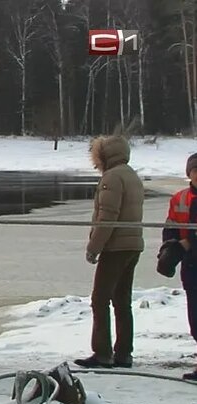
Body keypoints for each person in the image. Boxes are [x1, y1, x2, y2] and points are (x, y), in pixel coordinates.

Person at [75, 135, 144, 369]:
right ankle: (124, 352)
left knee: (100, 298)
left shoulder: (112, 178)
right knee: (122, 300)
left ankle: (102, 352)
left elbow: (107, 216)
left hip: (116, 247)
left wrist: (94, 247)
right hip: (133, 245)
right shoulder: (131, 174)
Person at [158, 153, 197, 381]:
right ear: (189, 173)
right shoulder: (180, 199)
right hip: (190, 266)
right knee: (195, 317)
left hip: (191, 255)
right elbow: (170, 226)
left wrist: (188, 242)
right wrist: (168, 251)